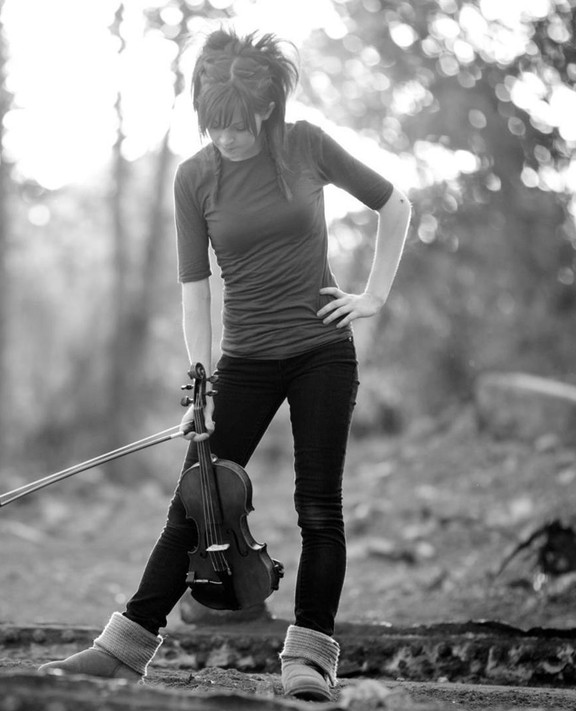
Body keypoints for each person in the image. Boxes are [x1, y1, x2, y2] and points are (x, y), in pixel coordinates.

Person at [40, 28, 411, 702]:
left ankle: (309, 657)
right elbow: (195, 290)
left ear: (266, 110)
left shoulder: (307, 146)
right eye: (214, 125)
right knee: (195, 505)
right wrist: (199, 385)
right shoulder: (195, 177)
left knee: (319, 508)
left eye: (238, 126)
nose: (226, 138)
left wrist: (373, 296)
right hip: (244, 360)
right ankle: (121, 648)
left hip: (322, 352)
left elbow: (395, 204)